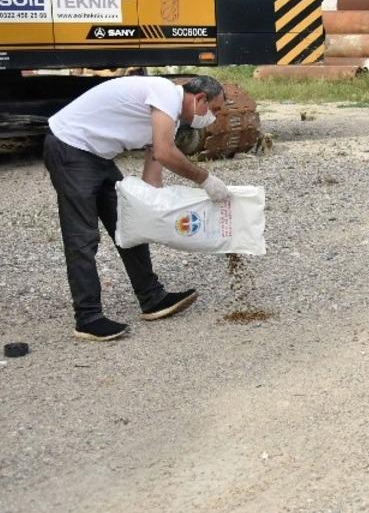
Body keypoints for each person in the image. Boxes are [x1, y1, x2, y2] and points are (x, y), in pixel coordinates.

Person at [44, 74, 230, 341]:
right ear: (199, 98)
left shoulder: (171, 119)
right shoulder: (165, 93)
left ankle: (152, 298)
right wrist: (205, 179)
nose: (211, 117)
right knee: (82, 238)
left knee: (131, 223)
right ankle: (88, 318)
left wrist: (154, 209)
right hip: (70, 147)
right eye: (213, 110)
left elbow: (152, 176)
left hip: (98, 155)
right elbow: (166, 153)